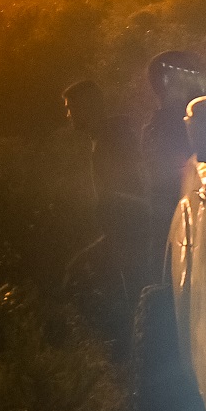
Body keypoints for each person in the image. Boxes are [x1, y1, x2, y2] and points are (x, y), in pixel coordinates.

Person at [62, 79, 145, 320]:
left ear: (86, 107)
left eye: (71, 108)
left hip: (129, 231)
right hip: (121, 231)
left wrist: (117, 230)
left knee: (132, 292)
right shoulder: (108, 136)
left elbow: (126, 189)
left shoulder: (111, 140)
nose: (69, 115)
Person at [137, 50, 204, 284]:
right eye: (186, 73)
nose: (196, 79)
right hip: (176, 232)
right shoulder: (164, 129)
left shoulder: (195, 120)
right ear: (165, 83)